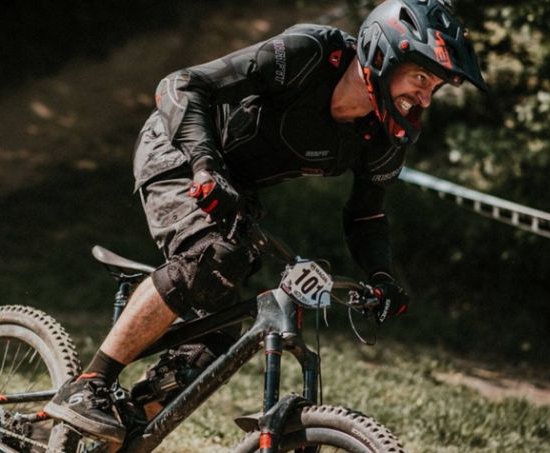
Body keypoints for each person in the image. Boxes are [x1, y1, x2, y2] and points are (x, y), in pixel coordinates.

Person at [44, 0, 486, 442]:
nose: (424, 98)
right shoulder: (306, 54)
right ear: (382, 55)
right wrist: (204, 167)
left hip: (235, 184)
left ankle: (123, 424)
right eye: (421, 78)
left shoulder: (383, 136)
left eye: (434, 88)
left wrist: (382, 277)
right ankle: (89, 385)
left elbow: (367, 214)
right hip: (181, 148)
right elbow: (181, 85)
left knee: (221, 330)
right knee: (211, 257)